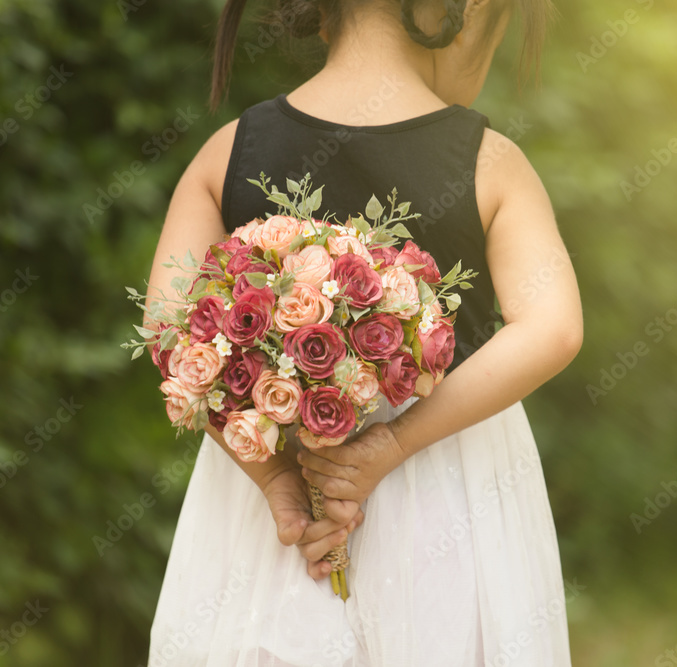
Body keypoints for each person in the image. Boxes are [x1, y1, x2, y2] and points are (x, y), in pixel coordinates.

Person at [144, 0, 583, 662]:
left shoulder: (228, 152)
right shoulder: (489, 162)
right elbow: (553, 328)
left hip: (277, 498)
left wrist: (275, 480)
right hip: (447, 486)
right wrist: (390, 444)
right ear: (467, 8)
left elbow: (169, 333)